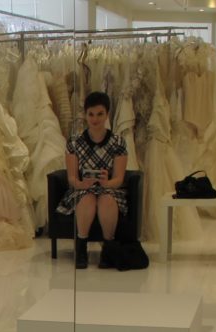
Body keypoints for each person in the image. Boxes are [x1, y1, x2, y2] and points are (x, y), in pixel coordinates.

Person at [57, 92, 128, 269]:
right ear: (85, 115)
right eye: (91, 114)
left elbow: (119, 178)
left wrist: (106, 182)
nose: (95, 119)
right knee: (86, 199)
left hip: (109, 188)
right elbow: (72, 177)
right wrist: (82, 184)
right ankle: (81, 248)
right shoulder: (74, 142)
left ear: (107, 115)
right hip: (83, 188)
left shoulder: (118, 142)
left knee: (107, 201)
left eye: (100, 114)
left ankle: (108, 249)